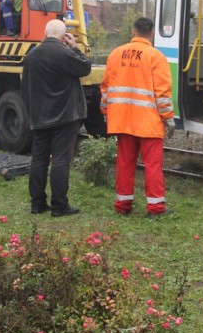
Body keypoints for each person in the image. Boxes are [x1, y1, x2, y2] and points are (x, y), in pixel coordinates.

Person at [101, 17, 175, 218]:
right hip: (148, 122)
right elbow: (162, 92)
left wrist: (107, 113)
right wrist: (168, 118)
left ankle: (123, 206)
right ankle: (156, 209)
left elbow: (106, 88)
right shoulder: (156, 57)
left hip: (122, 120)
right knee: (152, 166)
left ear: (133, 31)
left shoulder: (116, 54)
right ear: (151, 33)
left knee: (124, 164)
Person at [23, 19, 91, 216]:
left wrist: (31, 113)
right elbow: (85, 68)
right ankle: (59, 206)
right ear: (64, 36)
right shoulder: (65, 53)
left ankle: (37, 204)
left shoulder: (32, 55)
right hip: (64, 117)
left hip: (39, 115)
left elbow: (25, 86)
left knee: (38, 159)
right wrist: (75, 48)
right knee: (60, 160)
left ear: (44, 32)